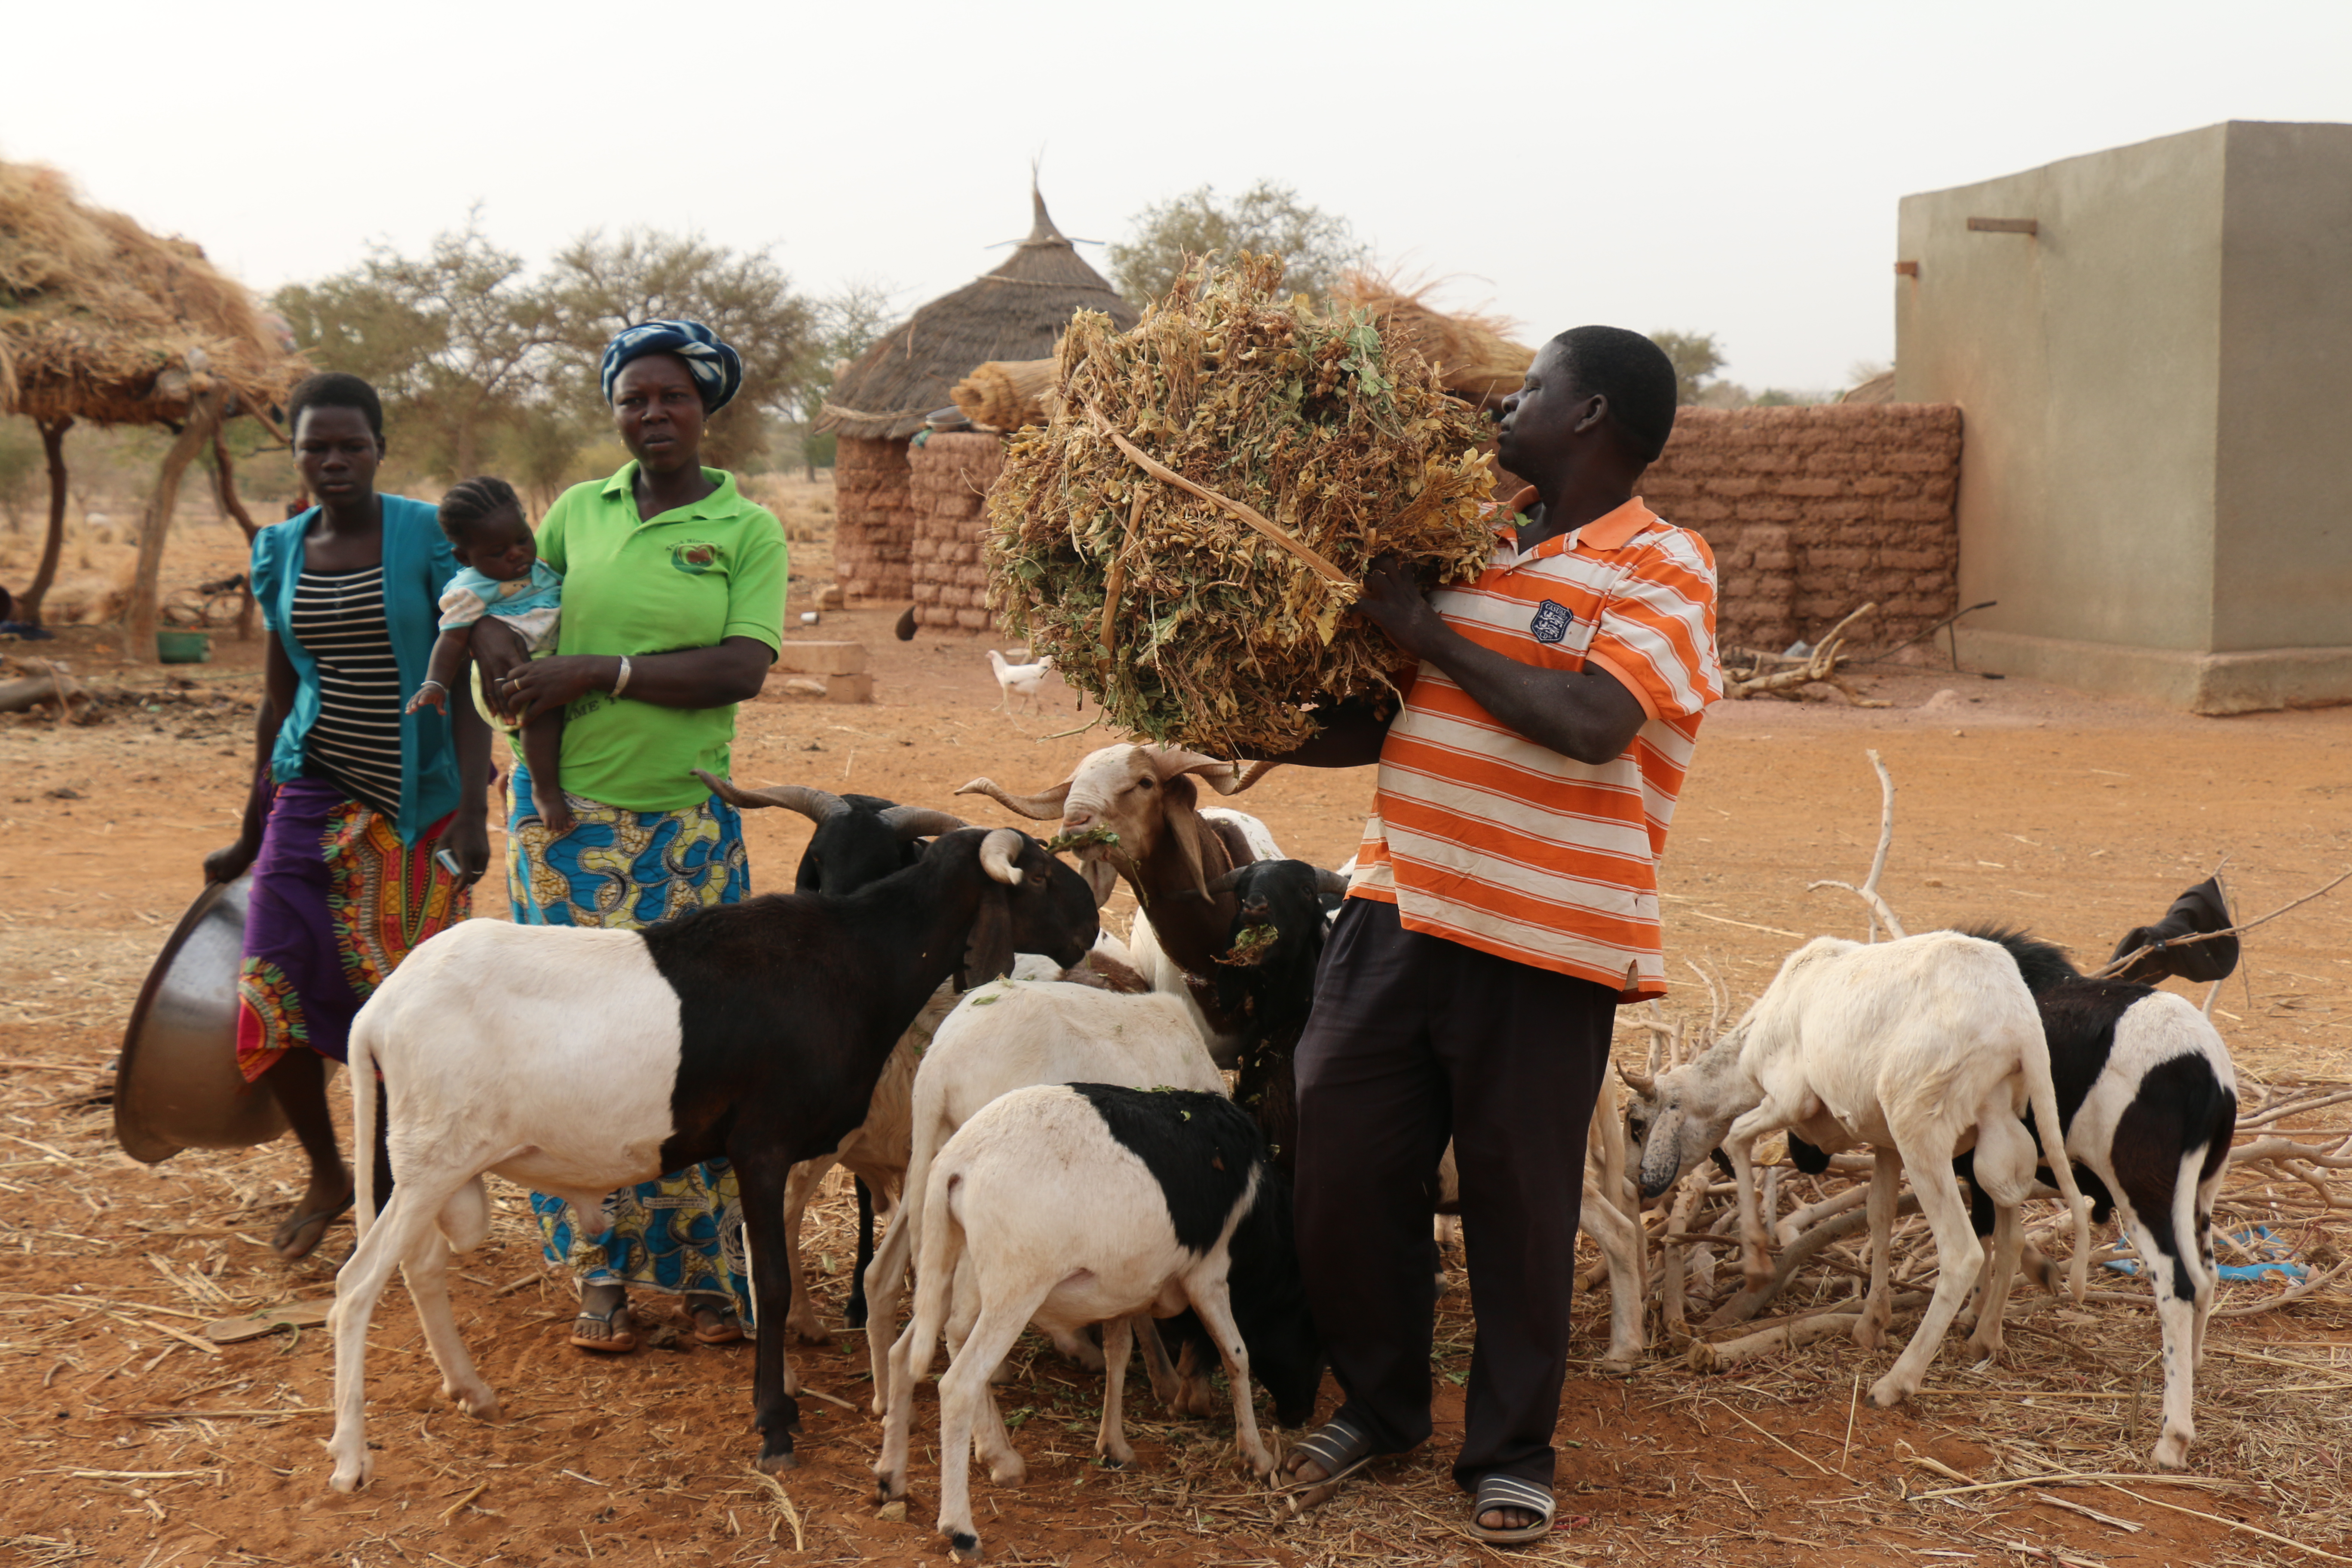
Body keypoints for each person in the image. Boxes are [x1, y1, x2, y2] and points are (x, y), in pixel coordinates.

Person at [1260, 328, 1721, 1543]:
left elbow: (1589, 721)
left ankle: (1510, 1451)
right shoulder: (1469, 545)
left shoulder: (1664, 566)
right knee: (1343, 1158)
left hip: (1547, 930)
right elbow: (1394, 714)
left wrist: (1424, 627)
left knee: (1522, 1202)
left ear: (1592, 414)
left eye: (1534, 388)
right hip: (1395, 900)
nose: (1508, 405)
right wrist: (1234, 711)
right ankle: (1382, 1405)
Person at [472, 319, 786, 1354]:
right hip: (562, 825)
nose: (651, 414)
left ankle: (706, 1279)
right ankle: (599, 1274)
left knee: (698, 1044)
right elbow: (530, 623)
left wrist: (598, 672)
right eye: (632, 398)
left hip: (688, 824)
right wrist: (505, 665)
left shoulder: (747, 531)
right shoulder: (573, 514)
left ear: (707, 410)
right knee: (571, 1046)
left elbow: (741, 666)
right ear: (614, 410)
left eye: (671, 398)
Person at [204, 372, 493, 1260]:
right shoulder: (281, 549)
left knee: (404, 1012)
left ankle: (387, 1182)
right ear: (293, 455)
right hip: (311, 790)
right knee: (267, 989)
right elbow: (276, 693)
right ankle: (328, 1171)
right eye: (313, 447)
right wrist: (251, 830)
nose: (332, 460)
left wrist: (476, 812)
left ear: (379, 446)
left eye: (349, 445)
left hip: (420, 805)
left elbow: (473, 690)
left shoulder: (429, 540)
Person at [407, 477, 573, 833]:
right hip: (511, 670)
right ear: (465, 557)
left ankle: (516, 781)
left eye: (521, 540)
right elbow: (451, 640)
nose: (516, 553)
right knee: (541, 714)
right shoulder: (470, 591)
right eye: (497, 552)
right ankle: (545, 792)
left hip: (550, 657)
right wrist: (435, 682)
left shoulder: (538, 566)